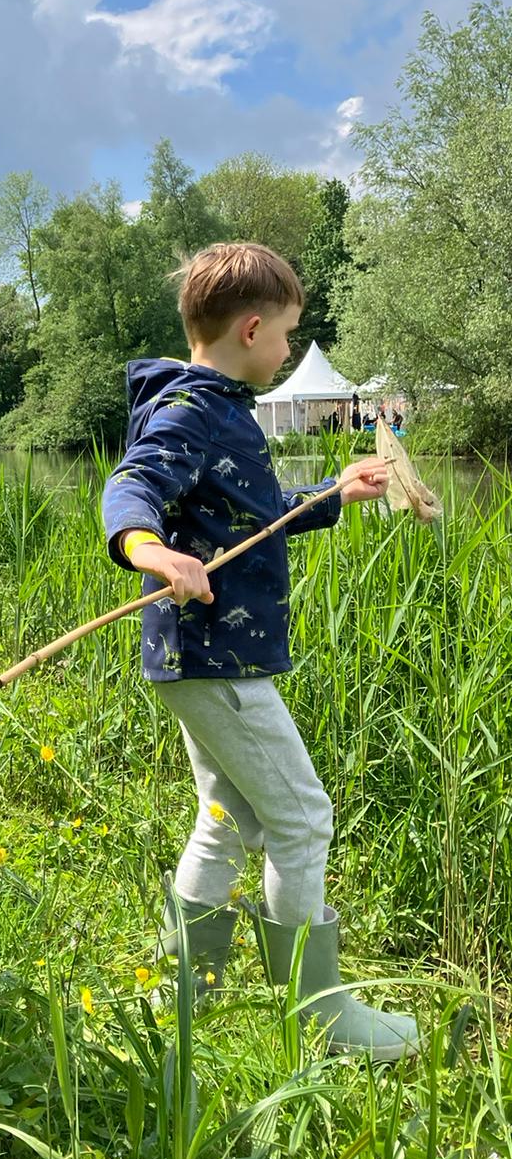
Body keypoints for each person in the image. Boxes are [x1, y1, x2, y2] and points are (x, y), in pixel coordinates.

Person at [102, 242, 418, 1061]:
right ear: (251, 329)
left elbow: (249, 510)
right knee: (302, 817)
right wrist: (149, 549)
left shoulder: (219, 406)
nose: (289, 350)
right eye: (286, 335)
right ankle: (319, 1014)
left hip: (199, 660)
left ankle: (187, 987)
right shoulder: (192, 412)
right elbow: (132, 485)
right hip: (217, 659)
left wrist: (332, 495)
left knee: (227, 818)